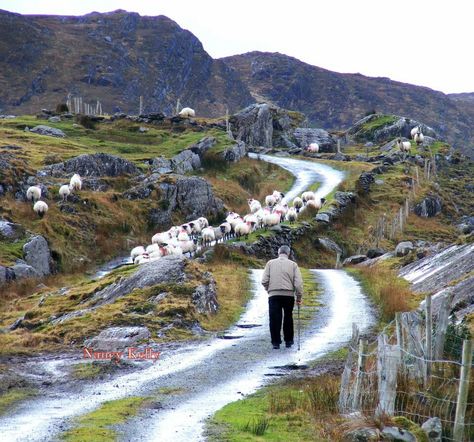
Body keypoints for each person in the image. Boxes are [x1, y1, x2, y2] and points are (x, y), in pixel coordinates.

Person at [261, 245, 303, 349]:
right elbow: (298, 283)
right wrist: (298, 297)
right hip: (288, 295)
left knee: (275, 318)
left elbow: (264, 281)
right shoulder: (293, 265)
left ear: (278, 253)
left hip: (274, 295)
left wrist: (269, 290)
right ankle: (288, 341)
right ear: (288, 253)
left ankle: (276, 342)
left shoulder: (270, 263)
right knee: (288, 317)